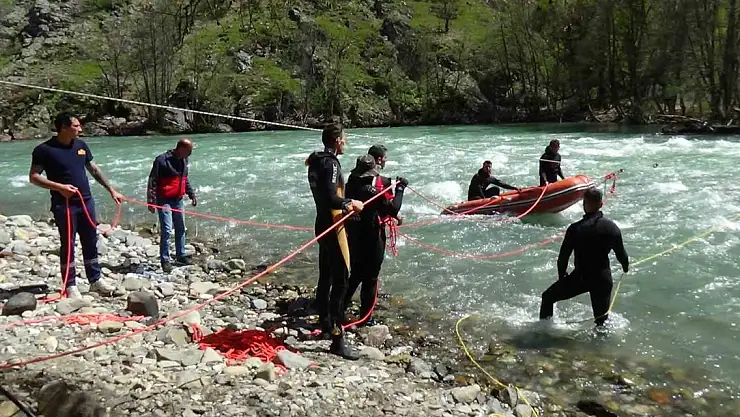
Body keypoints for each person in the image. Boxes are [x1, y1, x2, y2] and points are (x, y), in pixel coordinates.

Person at [29, 112, 122, 299]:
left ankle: (95, 280)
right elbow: (34, 177)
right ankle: (70, 285)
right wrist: (60, 187)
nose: (80, 129)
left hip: (86, 201)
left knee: (90, 240)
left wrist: (111, 190)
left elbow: (94, 169)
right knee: (69, 244)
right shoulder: (44, 150)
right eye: (76, 126)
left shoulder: (81, 146)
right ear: (64, 128)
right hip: (64, 204)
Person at [306, 122, 364, 359]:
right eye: (344, 138)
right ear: (338, 140)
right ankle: (338, 339)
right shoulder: (330, 163)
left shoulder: (316, 160)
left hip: (322, 223)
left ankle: (326, 322)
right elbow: (331, 197)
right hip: (333, 226)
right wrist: (350, 203)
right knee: (341, 280)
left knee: (326, 275)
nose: (345, 142)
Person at [538, 188, 629, 326]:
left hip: (580, 277)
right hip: (602, 279)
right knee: (601, 321)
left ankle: (544, 332)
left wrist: (562, 276)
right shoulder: (612, 227)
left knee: (547, 298)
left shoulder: (575, 229)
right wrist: (625, 267)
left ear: (584, 204)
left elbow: (563, 258)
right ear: (601, 204)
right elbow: (622, 255)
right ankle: (602, 340)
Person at [343, 153, 407, 327]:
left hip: (354, 235)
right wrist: (400, 189)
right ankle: (366, 317)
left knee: (356, 274)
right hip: (371, 237)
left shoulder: (350, 185)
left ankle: (340, 308)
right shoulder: (371, 192)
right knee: (371, 278)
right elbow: (393, 208)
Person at [147, 139, 197, 273]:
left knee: (181, 227)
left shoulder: (184, 160)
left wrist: (191, 194)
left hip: (178, 199)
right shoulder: (162, 160)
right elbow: (152, 181)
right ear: (181, 148)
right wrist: (151, 201)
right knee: (167, 230)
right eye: (189, 150)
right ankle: (165, 260)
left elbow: (184, 180)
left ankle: (180, 255)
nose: (190, 153)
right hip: (164, 200)